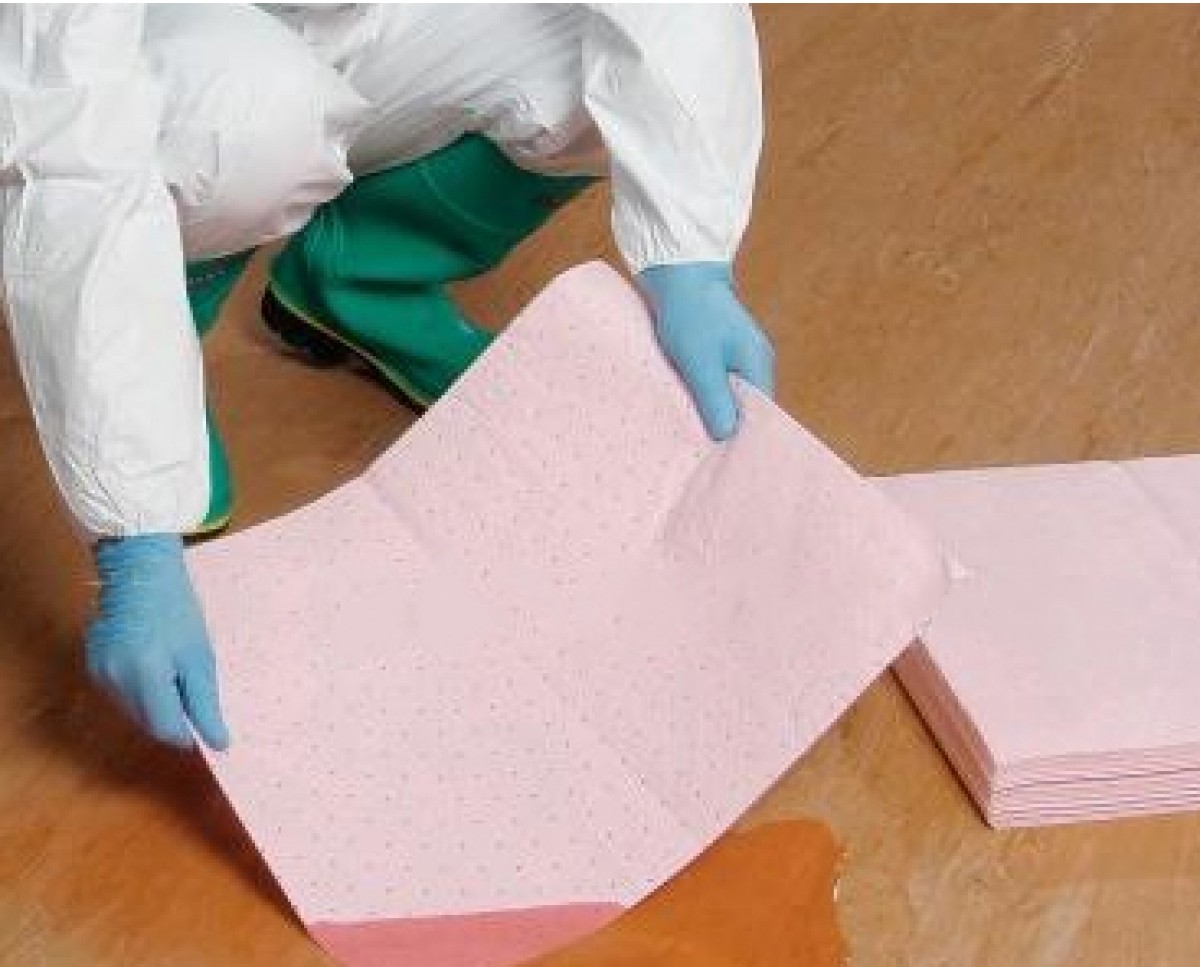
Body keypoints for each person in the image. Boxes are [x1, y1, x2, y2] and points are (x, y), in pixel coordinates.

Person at [0, 4, 774, 751]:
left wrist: (693, 258)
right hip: (149, 58)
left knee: (588, 63)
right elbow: (69, 146)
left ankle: (360, 278)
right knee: (247, 121)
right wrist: (135, 533)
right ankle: (168, 318)